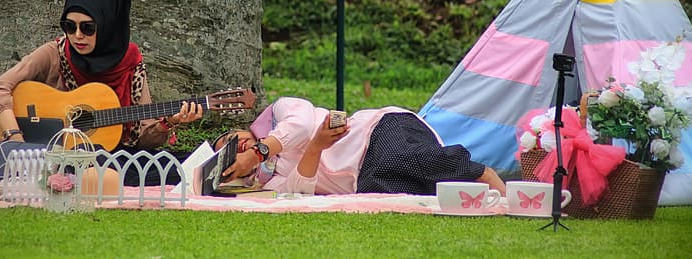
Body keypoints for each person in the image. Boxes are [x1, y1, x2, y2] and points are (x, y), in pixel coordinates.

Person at [0, 0, 203, 184]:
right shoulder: (55, 53)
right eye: (69, 26)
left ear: (109, 26)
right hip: (57, 155)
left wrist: (169, 122)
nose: (77, 35)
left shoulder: (131, 64)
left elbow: (144, 142)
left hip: (112, 156)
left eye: (88, 28)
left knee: (174, 162)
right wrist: (18, 142)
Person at [215, 96, 505, 196]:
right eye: (229, 153)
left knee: (401, 158)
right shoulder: (267, 182)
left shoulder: (280, 111)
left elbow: (302, 125)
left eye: (231, 139)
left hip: (377, 132)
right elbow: (298, 191)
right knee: (398, 194)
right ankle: (473, 194)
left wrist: (258, 152)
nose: (237, 146)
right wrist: (315, 148)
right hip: (364, 178)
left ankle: (482, 174)